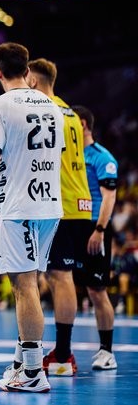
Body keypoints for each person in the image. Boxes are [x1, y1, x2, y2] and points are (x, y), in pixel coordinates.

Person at [0, 42, 64, 393]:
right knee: (29, 284)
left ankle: (35, 372)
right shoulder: (53, 105)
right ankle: (23, 361)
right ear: (27, 70)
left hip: (20, 208)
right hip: (50, 205)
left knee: (24, 287)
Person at [27, 58, 93, 376]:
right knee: (59, 276)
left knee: (59, 276)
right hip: (79, 202)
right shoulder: (70, 111)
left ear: (35, 81)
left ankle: (63, 355)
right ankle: (62, 351)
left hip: (59, 203)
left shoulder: (44, 111)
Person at [71, 105, 119, 370]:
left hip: (94, 228)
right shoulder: (68, 156)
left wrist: (99, 230)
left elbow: (109, 196)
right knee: (62, 283)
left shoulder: (102, 157)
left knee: (97, 290)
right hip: (72, 226)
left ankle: (107, 352)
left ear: (84, 124)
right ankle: (63, 348)